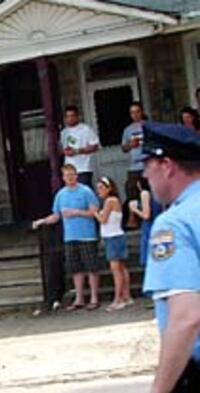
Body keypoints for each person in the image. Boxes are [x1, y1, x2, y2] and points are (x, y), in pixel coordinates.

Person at [138, 122, 200, 393]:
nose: (144, 176)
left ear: (167, 165)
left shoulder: (173, 223)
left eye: (147, 165)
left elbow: (186, 318)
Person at [33, 164, 101, 311]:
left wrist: (76, 212)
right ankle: (79, 298)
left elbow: (94, 212)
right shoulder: (61, 195)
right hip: (70, 236)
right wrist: (42, 221)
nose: (70, 178)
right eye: (67, 175)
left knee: (91, 267)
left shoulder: (86, 191)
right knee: (75, 268)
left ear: (76, 175)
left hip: (87, 235)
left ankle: (95, 297)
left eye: (73, 174)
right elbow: (56, 215)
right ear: (63, 178)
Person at [94, 177, 133, 312]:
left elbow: (103, 220)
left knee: (116, 270)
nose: (98, 191)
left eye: (101, 188)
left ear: (109, 188)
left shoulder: (110, 201)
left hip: (113, 237)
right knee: (122, 268)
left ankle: (119, 299)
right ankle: (127, 296)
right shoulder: (115, 200)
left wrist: (95, 212)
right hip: (116, 236)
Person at [60, 105, 101, 187]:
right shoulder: (64, 132)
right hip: (69, 170)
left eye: (72, 116)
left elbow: (95, 146)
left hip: (83, 169)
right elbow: (61, 148)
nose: (70, 118)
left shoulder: (85, 129)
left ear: (77, 116)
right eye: (68, 116)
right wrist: (65, 151)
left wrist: (77, 151)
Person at [122, 101, 147, 226]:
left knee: (149, 191)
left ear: (141, 112)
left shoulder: (149, 126)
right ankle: (132, 218)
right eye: (132, 112)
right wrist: (130, 145)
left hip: (148, 164)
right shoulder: (128, 130)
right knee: (131, 190)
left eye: (137, 112)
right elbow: (124, 148)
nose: (135, 115)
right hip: (134, 165)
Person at [129, 177, 163, 266]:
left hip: (149, 226)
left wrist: (135, 209)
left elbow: (146, 215)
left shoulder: (144, 193)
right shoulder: (156, 193)